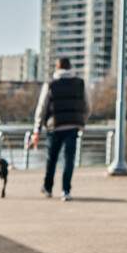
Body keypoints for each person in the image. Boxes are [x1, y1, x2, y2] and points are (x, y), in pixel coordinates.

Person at [29, 56, 87, 199]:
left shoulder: (51, 84)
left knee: (52, 158)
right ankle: (66, 191)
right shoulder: (80, 83)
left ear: (57, 67)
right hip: (73, 126)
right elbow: (87, 106)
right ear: (70, 67)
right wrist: (81, 121)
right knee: (69, 159)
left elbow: (41, 108)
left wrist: (36, 130)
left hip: (54, 127)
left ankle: (48, 187)